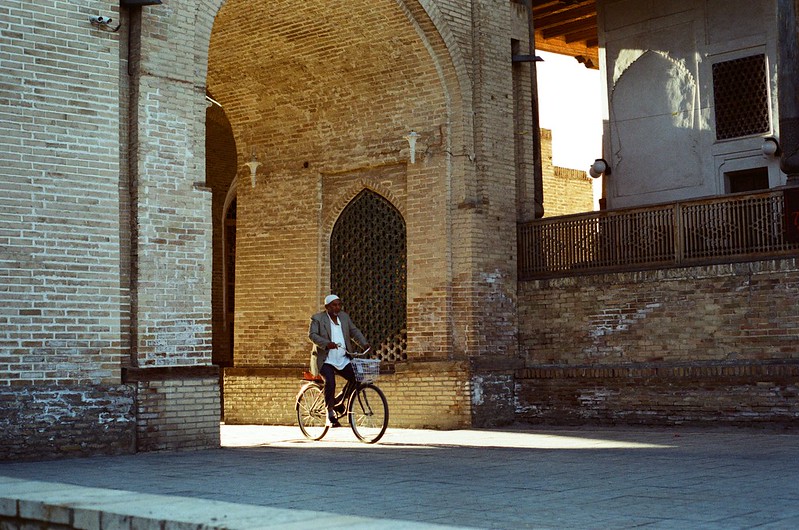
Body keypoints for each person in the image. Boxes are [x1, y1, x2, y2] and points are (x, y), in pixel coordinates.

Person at [308, 294, 370, 427]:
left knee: (357, 377)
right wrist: (326, 343)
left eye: (339, 305)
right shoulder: (318, 319)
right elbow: (312, 335)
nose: (337, 307)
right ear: (327, 307)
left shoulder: (344, 317)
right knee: (330, 381)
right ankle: (329, 412)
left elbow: (354, 331)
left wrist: (364, 343)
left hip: (342, 358)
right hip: (326, 360)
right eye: (334, 305)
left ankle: (338, 401)